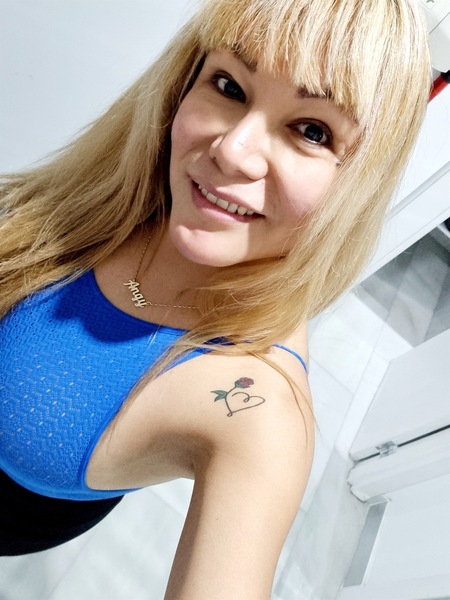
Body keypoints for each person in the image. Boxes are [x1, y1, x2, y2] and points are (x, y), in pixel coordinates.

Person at [0, 0, 431, 597]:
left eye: (311, 131)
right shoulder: (120, 193)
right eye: (229, 86)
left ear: (359, 180)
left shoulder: (259, 407)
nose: (232, 151)